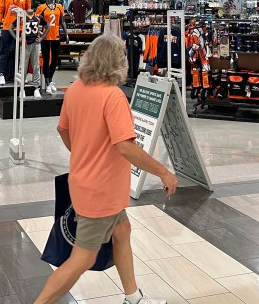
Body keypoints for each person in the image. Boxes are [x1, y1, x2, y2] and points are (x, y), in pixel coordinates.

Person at [34, 35, 178, 304]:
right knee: (82, 257)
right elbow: (125, 146)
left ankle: (133, 297)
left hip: (90, 185)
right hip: (100, 192)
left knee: (122, 232)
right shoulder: (113, 97)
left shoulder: (75, 88)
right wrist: (164, 172)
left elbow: (63, 129)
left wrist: (83, 154)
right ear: (117, 62)